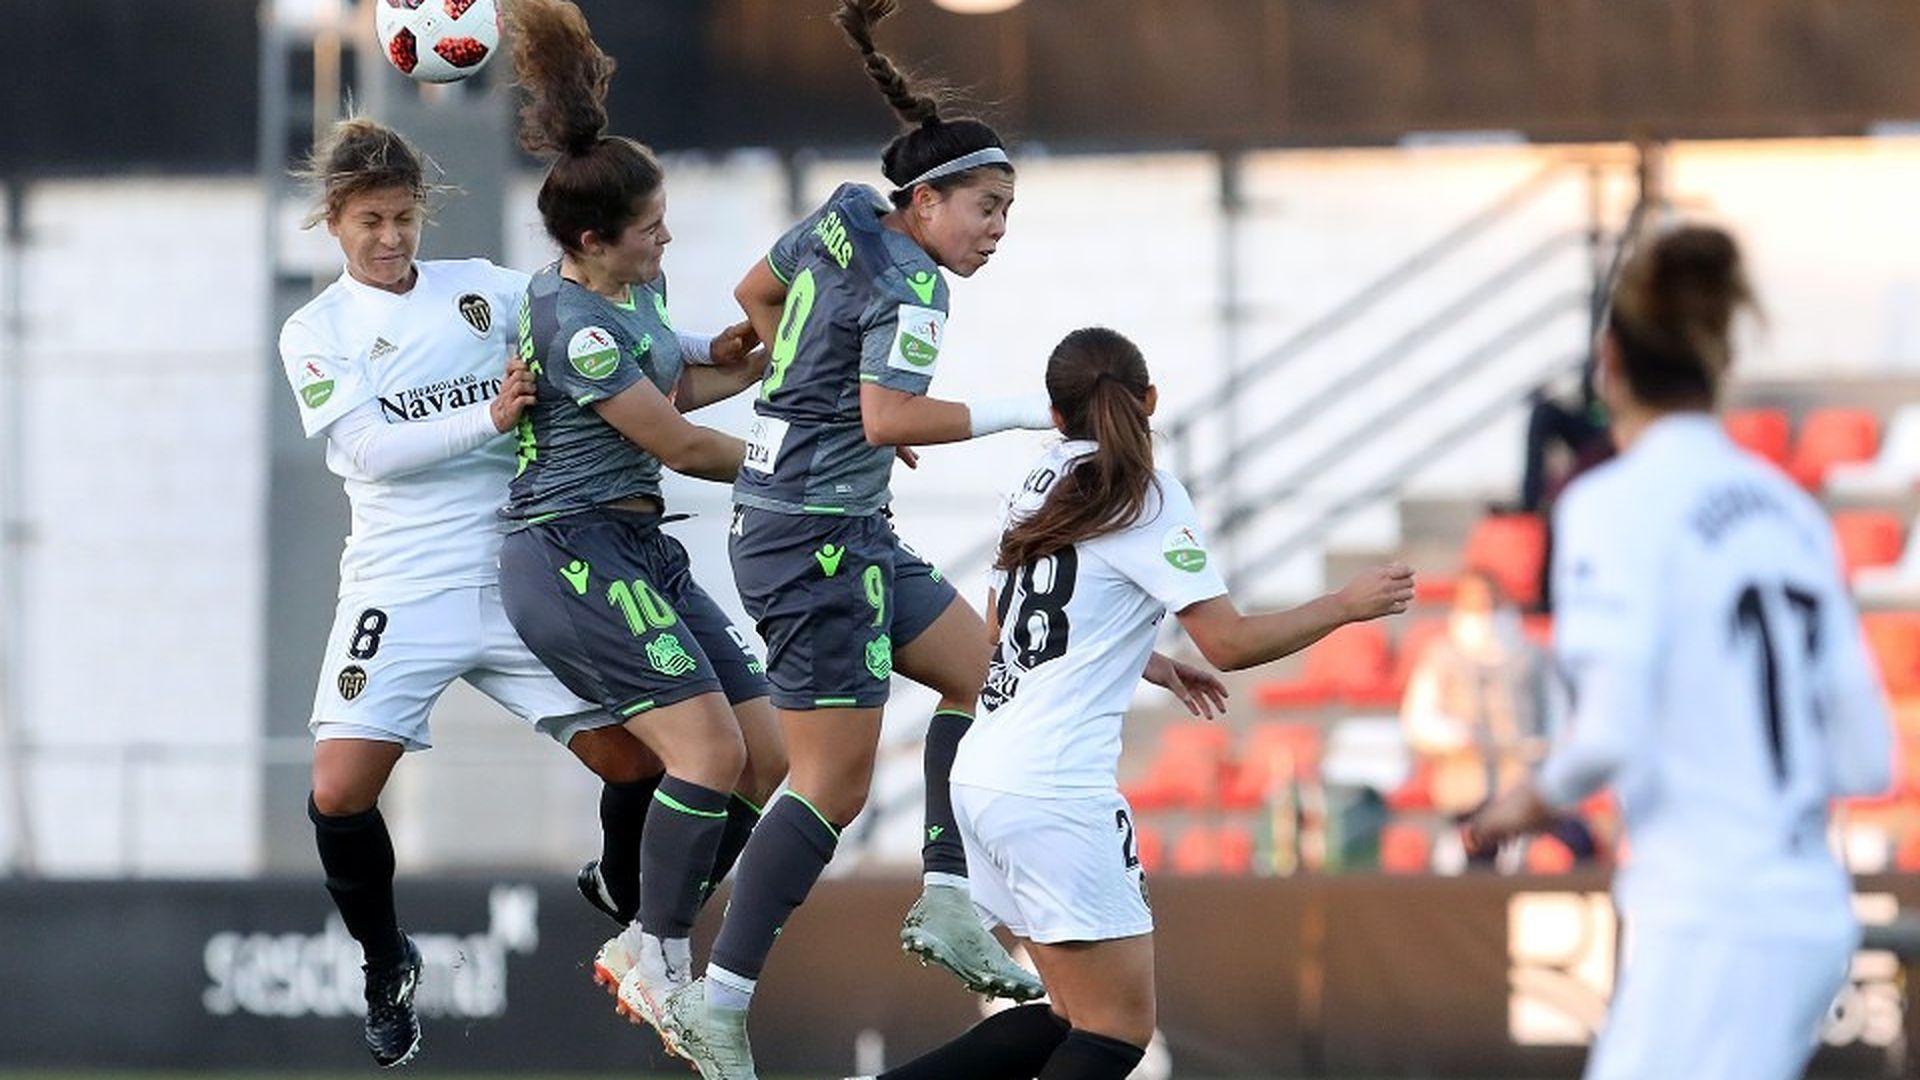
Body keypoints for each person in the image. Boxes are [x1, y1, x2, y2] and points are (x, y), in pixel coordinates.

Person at [659, 1, 1079, 1070]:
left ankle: (945, 895)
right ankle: (718, 1000)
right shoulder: (919, 286)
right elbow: (891, 415)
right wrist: (1030, 409)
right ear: (928, 201)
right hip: (815, 541)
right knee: (830, 785)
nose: (995, 228)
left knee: (986, 676)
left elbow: (758, 293)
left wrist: (810, 399)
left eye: (1006, 212)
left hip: (825, 518)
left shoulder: (846, 212)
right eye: (986, 208)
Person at [849, 326, 1413, 1080]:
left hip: (985, 769)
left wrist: (1138, 659)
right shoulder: (1147, 494)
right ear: (1150, 400)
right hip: (1053, 787)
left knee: (1066, 1015)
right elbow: (1230, 644)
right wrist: (1344, 605)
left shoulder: (1038, 479)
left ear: (1055, 416)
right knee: (1117, 1031)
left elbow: (1007, 630)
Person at [282, 116, 673, 1069]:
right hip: (398, 585)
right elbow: (367, 449)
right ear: (334, 220)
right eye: (371, 219)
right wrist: (486, 414)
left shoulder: (488, 294)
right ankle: (386, 965)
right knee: (337, 792)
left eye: (405, 217)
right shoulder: (316, 329)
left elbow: (597, 329)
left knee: (636, 763)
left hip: (515, 571)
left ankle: (622, 888)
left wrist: (711, 346)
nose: (391, 238)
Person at [1467, 226, 1893, 1080]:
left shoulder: (1611, 505)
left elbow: (1608, 736)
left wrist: (1523, 802)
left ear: (1607, 361)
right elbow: (1866, 756)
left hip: (1711, 912)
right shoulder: (1793, 512)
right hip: (1811, 910)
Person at [495, 0, 788, 1045]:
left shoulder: (628, 295)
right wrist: (802, 466)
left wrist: (724, 363)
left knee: (766, 756)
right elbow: (675, 443)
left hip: (639, 549)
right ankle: (659, 950)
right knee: (704, 754)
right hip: (572, 551)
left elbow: (677, 393)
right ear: (593, 241)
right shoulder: (572, 327)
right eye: (653, 228)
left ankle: (642, 911)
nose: (668, 238)